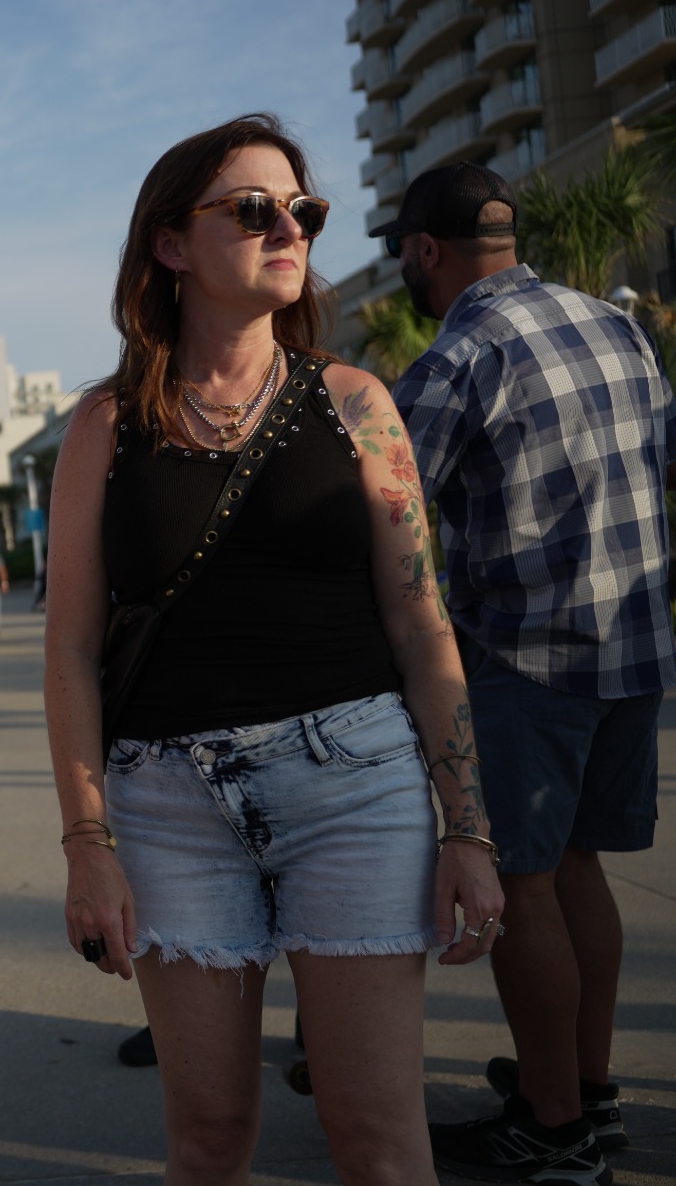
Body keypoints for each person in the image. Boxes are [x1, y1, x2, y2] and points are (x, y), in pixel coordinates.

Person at [43, 114, 505, 1185]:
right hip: (167, 806)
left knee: (376, 1138)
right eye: (254, 209)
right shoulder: (106, 425)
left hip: (356, 790)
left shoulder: (357, 405)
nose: (289, 228)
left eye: (304, 210)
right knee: (208, 1140)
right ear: (171, 244)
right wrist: (86, 843)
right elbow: (69, 649)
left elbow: (421, 623)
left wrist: (469, 829)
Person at [376, 161, 673, 1183]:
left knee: (518, 886)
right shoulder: (617, 324)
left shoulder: (460, 357)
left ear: (426, 250)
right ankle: (586, 1091)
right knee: (579, 867)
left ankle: (553, 1130)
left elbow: (383, 515)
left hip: (525, 662)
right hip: (635, 651)